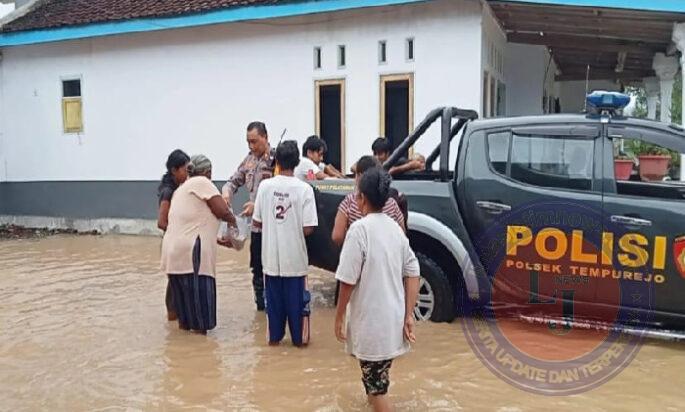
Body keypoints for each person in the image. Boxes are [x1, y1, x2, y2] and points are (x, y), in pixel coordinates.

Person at [334, 167, 420, 411]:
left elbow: (347, 281)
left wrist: (339, 316)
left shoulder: (359, 230)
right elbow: (413, 271)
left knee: (376, 388)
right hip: (391, 323)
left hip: (372, 326)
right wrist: (409, 314)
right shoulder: (395, 229)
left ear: (361, 197)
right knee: (375, 383)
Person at [253, 140, 318, 347]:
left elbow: (257, 222)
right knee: (301, 338)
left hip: (271, 264)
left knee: (273, 336)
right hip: (295, 265)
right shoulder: (305, 189)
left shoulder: (265, 187)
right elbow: (309, 228)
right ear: (298, 162)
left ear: (276, 161)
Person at [161, 155, 236, 333]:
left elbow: (191, 222)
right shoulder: (202, 182)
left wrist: (217, 239)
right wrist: (235, 224)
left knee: (185, 320)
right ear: (208, 172)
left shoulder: (181, 189)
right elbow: (222, 210)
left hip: (173, 255)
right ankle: (202, 357)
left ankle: (183, 356)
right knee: (201, 321)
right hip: (192, 256)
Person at [222, 121, 275, 311]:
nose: (251, 146)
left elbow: (281, 193)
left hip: (275, 227)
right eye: (248, 142)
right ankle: (261, 311)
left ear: (265, 137)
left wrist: (258, 205)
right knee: (257, 269)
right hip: (257, 228)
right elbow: (233, 181)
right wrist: (226, 192)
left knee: (275, 270)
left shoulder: (277, 160)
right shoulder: (249, 160)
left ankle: (275, 308)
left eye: (254, 142)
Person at [332, 155, 405, 247]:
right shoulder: (391, 203)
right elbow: (402, 234)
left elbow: (337, 237)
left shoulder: (349, 202)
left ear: (359, 176)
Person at [157, 149, 190, 321]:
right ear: (174, 170)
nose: (188, 173)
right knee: (175, 285)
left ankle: (177, 322)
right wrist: (181, 231)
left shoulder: (179, 188)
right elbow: (161, 222)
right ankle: (172, 319)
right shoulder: (168, 191)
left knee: (178, 283)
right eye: (185, 169)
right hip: (173, 243)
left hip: (177, 241)